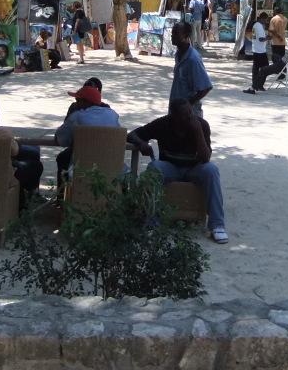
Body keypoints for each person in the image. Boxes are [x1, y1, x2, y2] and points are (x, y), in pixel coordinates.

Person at [128, 98, 228, 244]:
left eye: (191, 112)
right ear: (174, 116)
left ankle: (217, 226)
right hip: (171, 167)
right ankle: (151, 222)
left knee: (211, 170)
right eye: (185, 115)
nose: (190, 117)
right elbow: (132, 134)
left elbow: (206, 158)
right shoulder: (162, 124)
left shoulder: (201, 125)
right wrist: (142, 143)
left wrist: (198, 131)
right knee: (154, 167)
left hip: (194, 168)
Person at [53, 84, 121, 195]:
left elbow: (59, 139)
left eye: (77, 100)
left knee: (62, 159)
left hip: (82, 171)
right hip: (112, 169)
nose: (75, 103)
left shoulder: (77, 116)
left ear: (86, 102)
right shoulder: (113, 115)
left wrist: (70, 115)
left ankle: (61, 198)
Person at [170, 20, 213, 117]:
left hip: (188, 115)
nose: (172, 36)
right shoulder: (178, 54)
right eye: (172, 33)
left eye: (176, 33)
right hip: (176, 112)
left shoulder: (193, 59)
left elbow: (206, 87)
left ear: (187, 36)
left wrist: (187, 104)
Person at [243, 12, 271, 94]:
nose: (265, 21)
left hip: (256, 49)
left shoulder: (255, 25)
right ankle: (258, 85)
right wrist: (268, 38)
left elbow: (255, 37)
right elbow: (261, 39)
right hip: (260, 51)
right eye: (265, 19)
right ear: (263, 18)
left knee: (256, 69)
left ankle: (256, 85)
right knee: (265, 69)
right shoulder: (259, 26)